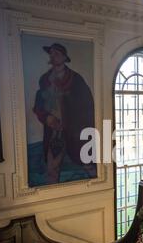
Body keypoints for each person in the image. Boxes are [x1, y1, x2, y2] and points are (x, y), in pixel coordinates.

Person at [33, 43, 96, 184]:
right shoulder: (44, 79)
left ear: (64, 57)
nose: (53, 56)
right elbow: (39, 105)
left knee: (88, 164)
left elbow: (87, 105)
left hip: (76, 131)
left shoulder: (76, 79)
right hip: (54, 132)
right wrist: (47, 118)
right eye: (51, 54)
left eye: (56, 54)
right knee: (52, 167)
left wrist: (71, 118)